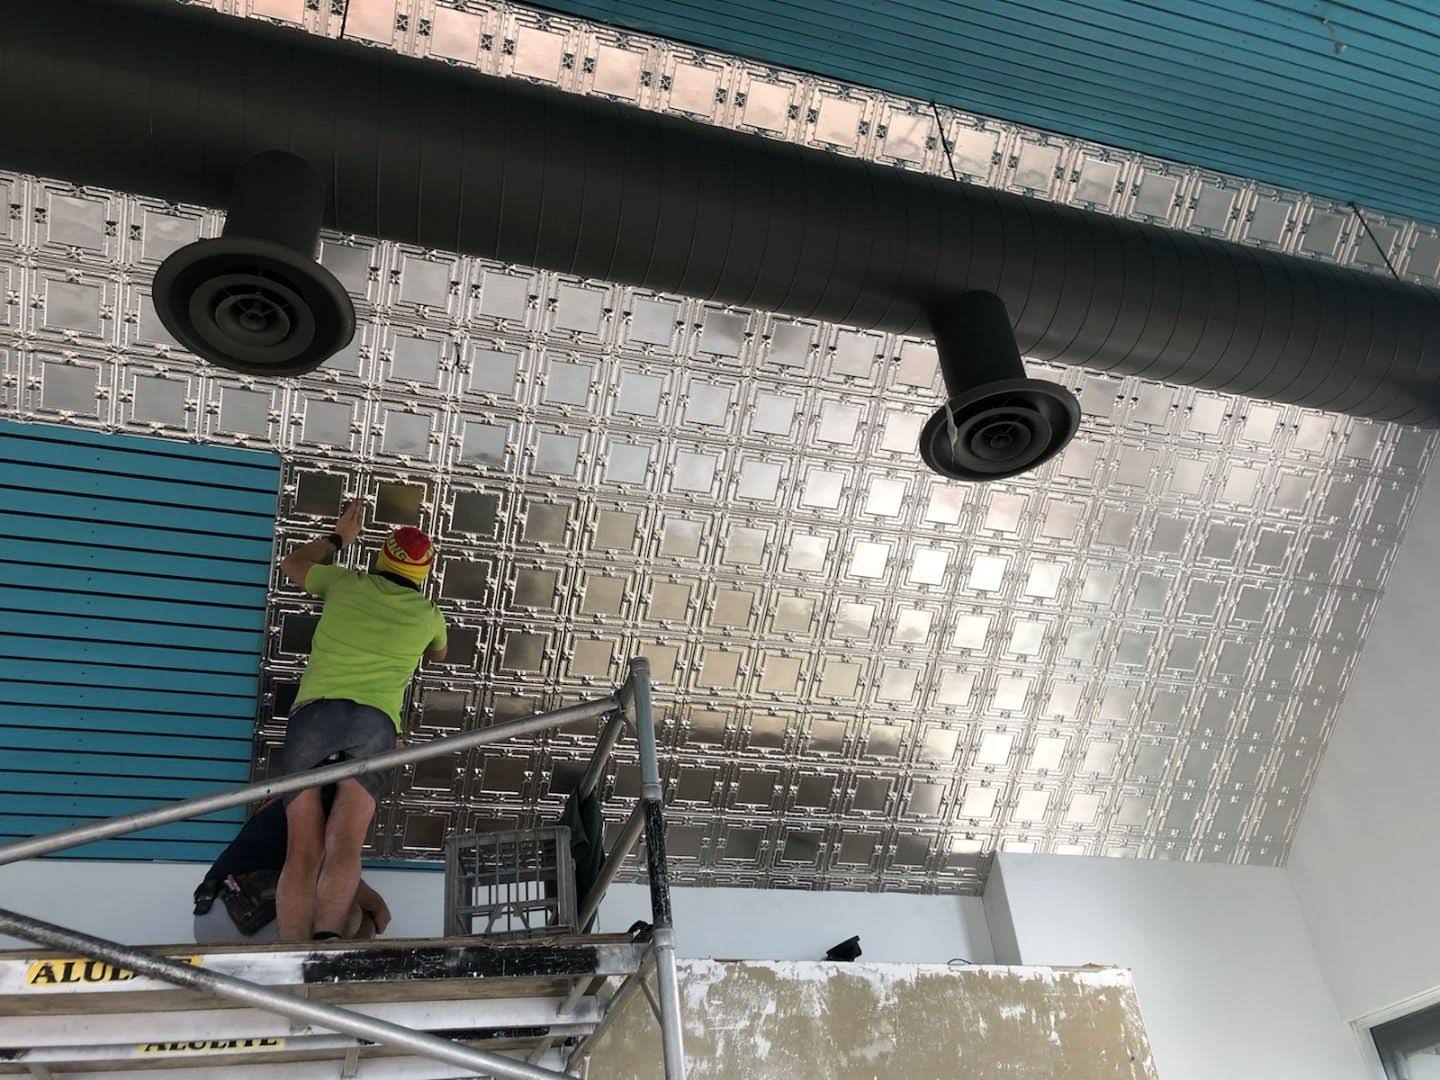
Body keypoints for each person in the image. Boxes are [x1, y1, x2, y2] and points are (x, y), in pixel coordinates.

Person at [275, 499, 447, 941]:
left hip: (314, 716)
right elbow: (439, 653)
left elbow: (291, 564)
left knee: (302, 849)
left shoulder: (343, 582)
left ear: (382, 558)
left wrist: (337, 539)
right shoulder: (429, 616)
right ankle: (328, 942)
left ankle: (290, 957)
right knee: (346, 841)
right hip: (373, 724)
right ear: (422, 574)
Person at [192, 789, 392, 943]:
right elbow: (351, 892)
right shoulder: (322, 813)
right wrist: (378, 909)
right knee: (352, 914)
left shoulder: (271, 817)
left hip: (206, 920)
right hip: (254, 917)